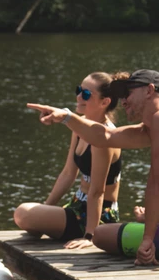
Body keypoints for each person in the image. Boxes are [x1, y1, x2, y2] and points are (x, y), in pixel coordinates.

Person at [27, 69, 159, 266]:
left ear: (150, 90)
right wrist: (65, 117)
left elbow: (158, 180)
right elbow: (104, 136)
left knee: (100, 235)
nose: (123, 101)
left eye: (128, 93)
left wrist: (147, 240)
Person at [14, 72, 127, 250]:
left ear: (104, 102)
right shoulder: (79, 125)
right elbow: (68, 173)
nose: (79, 96)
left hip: (99, 215)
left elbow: (98, 191)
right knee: (27, 214)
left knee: (23, 213)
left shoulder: (104, 138)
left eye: (86, 94)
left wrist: (90, 236)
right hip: (77, 205)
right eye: (79, 90)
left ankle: (88, 230)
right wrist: (44, 208)